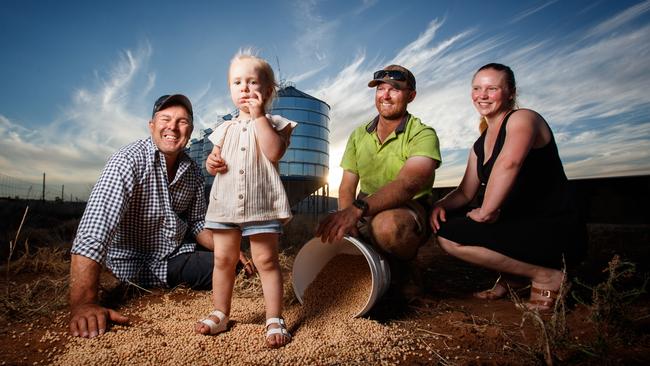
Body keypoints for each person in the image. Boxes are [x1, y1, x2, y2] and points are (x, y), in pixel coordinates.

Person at [69, 94, 254, 339]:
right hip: (133, 262)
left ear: (190, 130)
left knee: (231, 265)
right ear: (152, 126)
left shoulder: (193, 172)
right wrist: (84, 303)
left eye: (182, 121)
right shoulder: (128, 161)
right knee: (221, 268)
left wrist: (226, 248)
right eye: (165, 119)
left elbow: (198, 222)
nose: (173, 128)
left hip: (175, 252)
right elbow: (95, 230)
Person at [430, 63, 587, 311]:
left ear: (511, 92)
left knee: (454, 235)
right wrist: (439, 205)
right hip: (516, 224)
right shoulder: (479, 145)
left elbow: (509, 163)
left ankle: (547, 275)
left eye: (492, 88)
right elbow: (464, 192)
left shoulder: (523, 118)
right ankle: (512, 277)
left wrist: (487, 210)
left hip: (552, 226)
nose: (482, 95)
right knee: (447, 225)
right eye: (477, 88)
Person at [194, 50, 296, 349]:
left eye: (253, 83)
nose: (245, 89)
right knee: (223, 260)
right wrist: (212, 162)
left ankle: (274, 317)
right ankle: (220, 312)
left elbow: (273, 151)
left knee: (266, 260)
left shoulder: (275, 122)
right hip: (224, 204)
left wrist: (259, 115)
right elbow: (213, 159)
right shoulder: (222, 129)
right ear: (230, 90)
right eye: (237, 83)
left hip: (260, 205)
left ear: (267, 91)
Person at [316, 65, 441, 286]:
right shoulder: (359, 135)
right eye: (380, 89)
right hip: (364, 205)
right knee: (324, 231)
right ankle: (368, 275)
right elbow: (346, 186)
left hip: (408, 205)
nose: (385, 95)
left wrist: (356, 211)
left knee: (387, 226)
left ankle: (408, 275)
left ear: (411, 96)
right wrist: (347, 219)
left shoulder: (423, 134)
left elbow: (407, 185)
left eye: (394, 89)